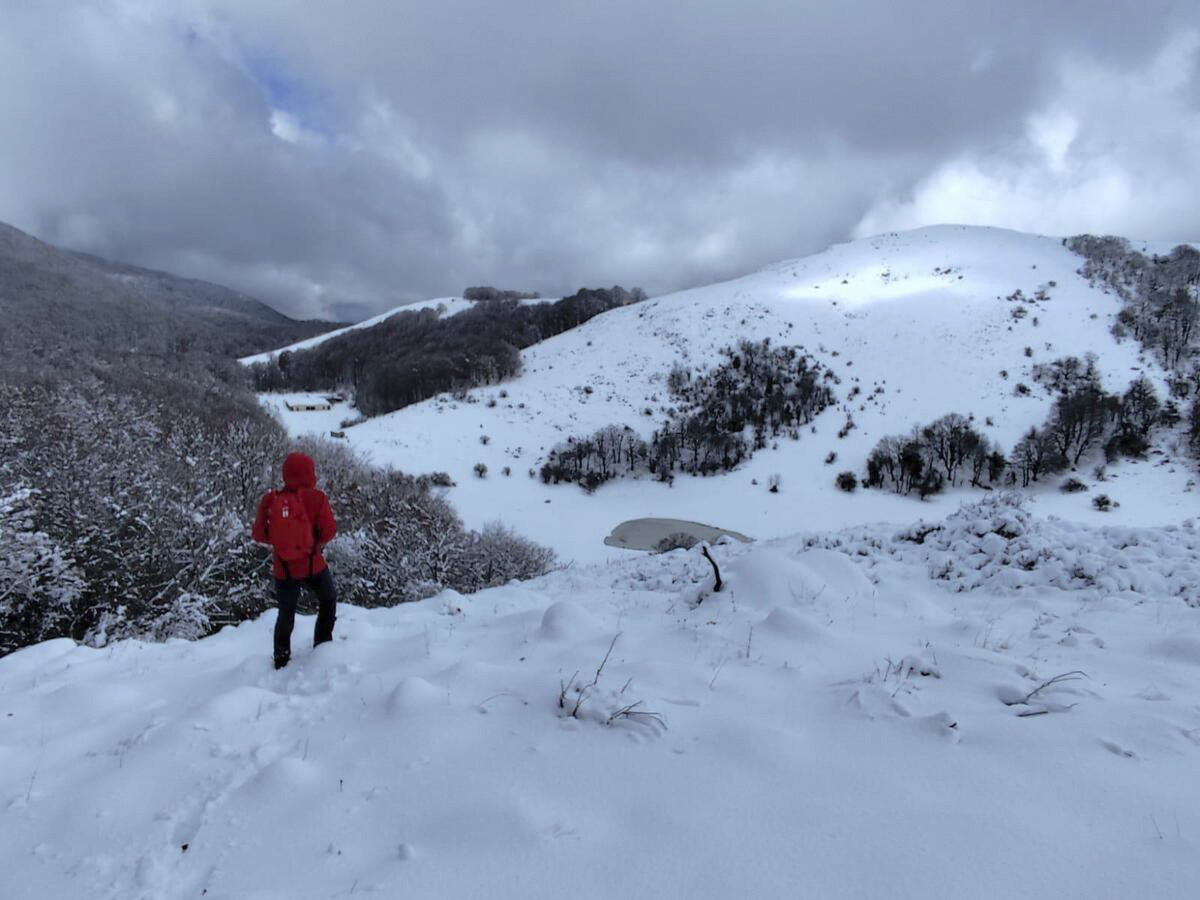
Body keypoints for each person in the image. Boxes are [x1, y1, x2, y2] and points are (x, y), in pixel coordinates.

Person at [252, 451, 338, 669]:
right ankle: (322, 645)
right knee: (328, 600)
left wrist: (282, 541)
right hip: (313, 565)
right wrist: (312, 542)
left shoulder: (271, 499)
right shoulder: (317, 498)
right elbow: (329, 531)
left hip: (284, 569)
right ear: (310, 473)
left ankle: (281, 659)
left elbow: (259, 534)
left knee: (286, 613)